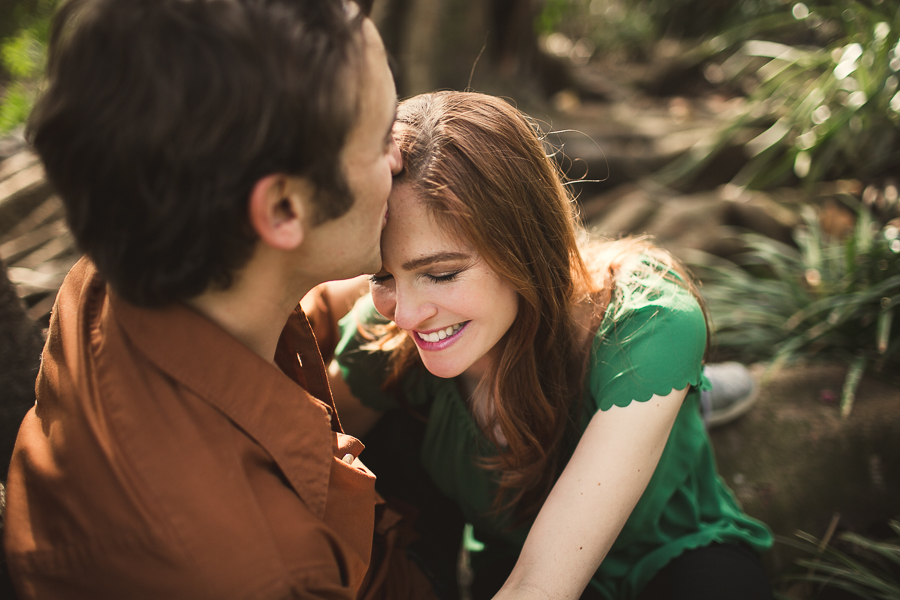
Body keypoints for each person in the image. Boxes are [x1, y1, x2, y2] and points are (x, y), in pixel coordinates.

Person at [2, 0, 438, 598]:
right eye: (382, 136)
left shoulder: (110, 279)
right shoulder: (261, 571)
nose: (401, 157)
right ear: (284, 208)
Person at [325, 91, 775, 600]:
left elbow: (541, 586)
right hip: (508, 556)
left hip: (670, 552)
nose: (406, 314)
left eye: (442, 273)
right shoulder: (388, 334)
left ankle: (675, 400)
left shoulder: (649, 323)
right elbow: (306, 468)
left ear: (523, 243)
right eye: (383, 276)